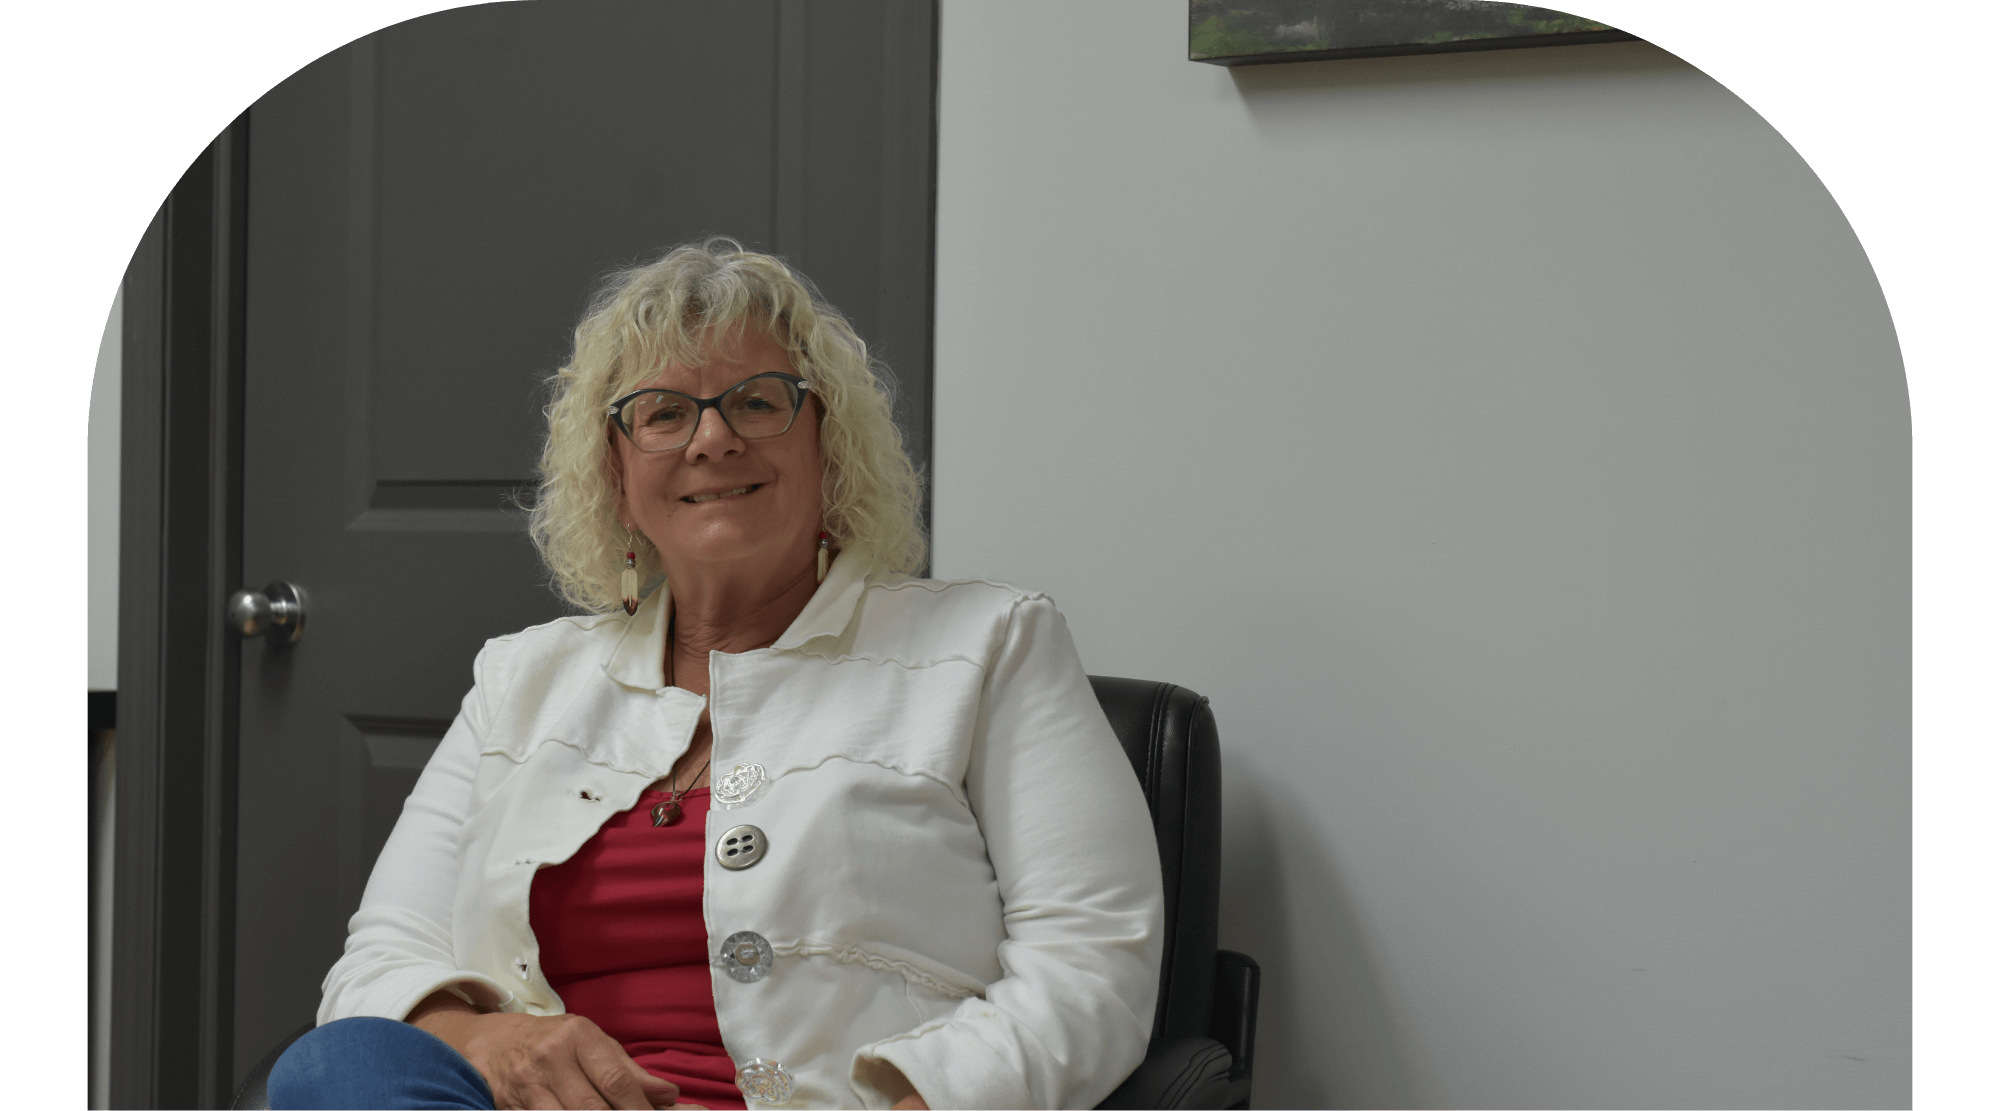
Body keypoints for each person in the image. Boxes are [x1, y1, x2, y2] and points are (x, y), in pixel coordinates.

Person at [268, 239, 1165, 1110]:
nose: (713, 438)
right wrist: (489, 1042)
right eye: (663, 413)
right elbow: (382, 959)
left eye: (758, 401)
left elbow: (1091, 966)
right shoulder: (520, 679)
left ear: (829, 445)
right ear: (616, 475)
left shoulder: (992, 644)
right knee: (337, 1064)